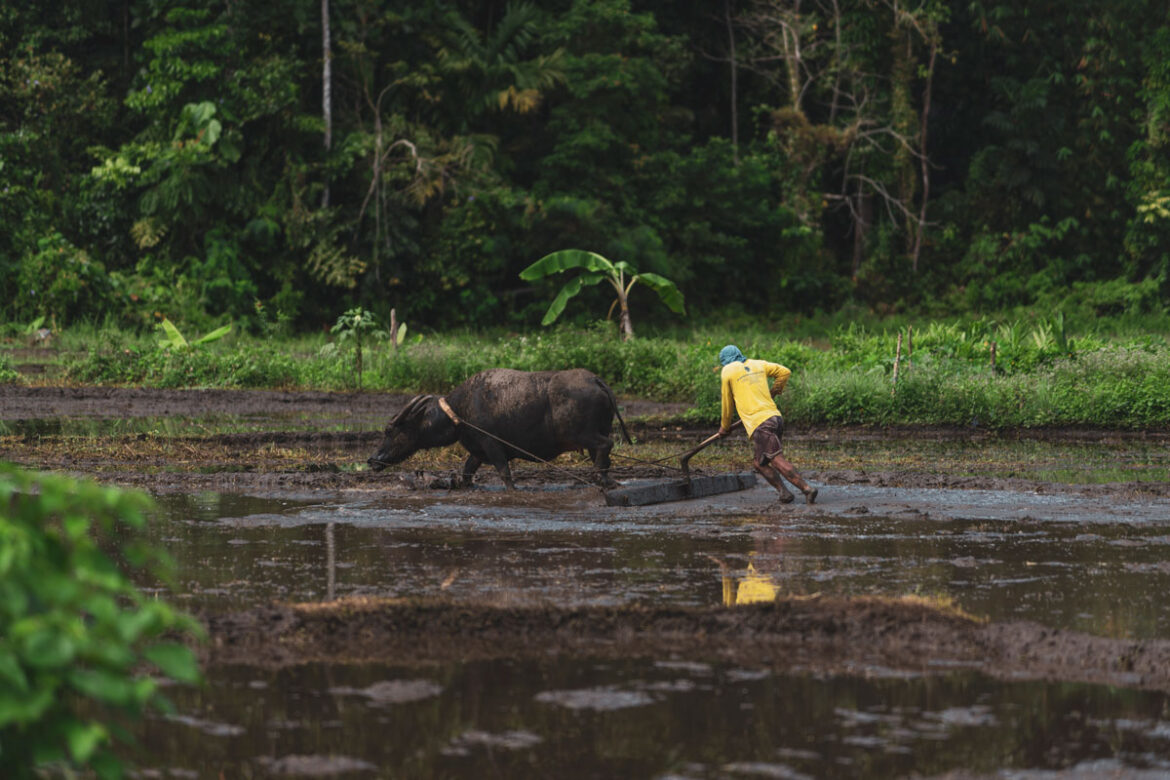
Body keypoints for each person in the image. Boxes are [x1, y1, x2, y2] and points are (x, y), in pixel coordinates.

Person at [716, 345, 817, 504]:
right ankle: (784, 493)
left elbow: (727, 403)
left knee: (776, 459)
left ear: (725, 361)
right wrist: (774, 391)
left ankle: (807, 488)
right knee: (760, 463)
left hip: (761, 424)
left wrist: (724, 426)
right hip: (775, 418)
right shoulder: (758, 364)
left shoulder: (728, 371)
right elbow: (785, 372)